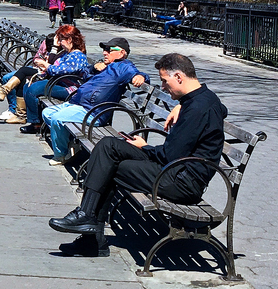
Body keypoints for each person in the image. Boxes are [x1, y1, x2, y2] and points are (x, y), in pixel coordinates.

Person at [48, 52, 227, 255]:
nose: (163, 87)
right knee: (108, 145)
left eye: (164, 81)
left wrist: (144, 147)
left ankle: (92, 238)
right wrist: (181, 105)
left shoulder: (198, 108)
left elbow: (170, 155)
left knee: (111, 167)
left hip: (182, 181)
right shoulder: (202, 99)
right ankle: (86, 215)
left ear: (179, 77)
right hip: (174, 169)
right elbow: (221, 109)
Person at [39, 37, 149, 158]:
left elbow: (136, 72)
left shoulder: (123, 67)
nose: (104, 52)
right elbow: (85, 74)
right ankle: (69, 142)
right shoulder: (105, 66)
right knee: (47, 113)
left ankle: (61, 155)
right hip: (78, 105)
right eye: (104, 49)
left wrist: (140, 76)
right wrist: (94, 67)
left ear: (122, 53)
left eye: (109, 49)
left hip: (93, 112)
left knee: (57, 118)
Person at [0, 26, 88, 125]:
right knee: (27, 85)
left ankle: (35, 122)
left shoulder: (78, 56)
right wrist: (47, 66)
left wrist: (45, 65)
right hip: (57, 82)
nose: (60, 43)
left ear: (69, 39)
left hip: (69, 89)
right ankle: (23, 115)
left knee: (33, 89)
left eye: (61, 40)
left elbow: (60, 71)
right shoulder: (68, 53)